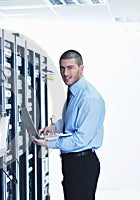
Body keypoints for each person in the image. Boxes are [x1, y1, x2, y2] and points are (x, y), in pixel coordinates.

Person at [32, 49, 105, 200]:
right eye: (62, 68)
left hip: (82, 164)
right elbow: (72, 121)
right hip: (73, 162)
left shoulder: (89, 99)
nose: (65, 73)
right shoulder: (74, 92)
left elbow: (81, 139)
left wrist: (49, 142)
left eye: (70, 67)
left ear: (81, 68)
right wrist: (54, 128)